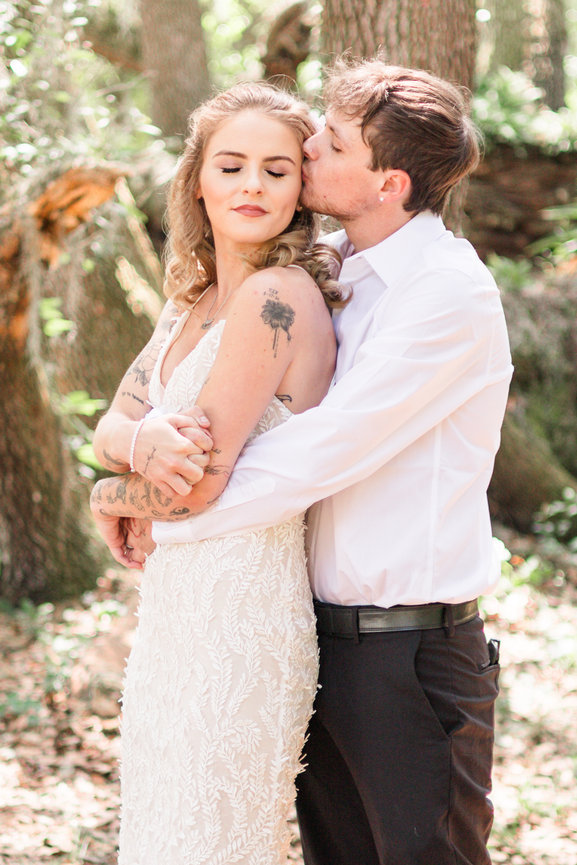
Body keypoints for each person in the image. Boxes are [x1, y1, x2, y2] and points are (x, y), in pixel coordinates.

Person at [97, 59, 513, 865]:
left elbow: (309, 458)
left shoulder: (444, 294)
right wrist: (135, 454)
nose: (308, 145)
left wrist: (146, 504)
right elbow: (148, 404)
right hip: (313, 634)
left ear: (387, 182)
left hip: (409, 653)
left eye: (330, 141)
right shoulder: (334, 267)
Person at [90, 81, 345, 865]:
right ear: (197, 179)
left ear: (303, 187)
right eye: (231, 166)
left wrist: (107, 489)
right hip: (175, 616)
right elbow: (110, 424)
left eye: (275, 170)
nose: (251, 186)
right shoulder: (191, 300)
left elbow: (196, 485)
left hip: (243, 621)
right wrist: (136, 445)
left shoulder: (277, 297)